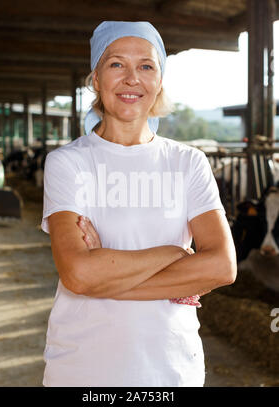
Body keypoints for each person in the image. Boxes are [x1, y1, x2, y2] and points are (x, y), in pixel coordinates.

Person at [41, 21, 237, 387]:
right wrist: (175, 255)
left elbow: (222, 267)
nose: (132, 78)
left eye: (146, 66)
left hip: (172, 368)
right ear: (96, 79)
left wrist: (105, 278)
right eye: (116, 64)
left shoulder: (188, 162)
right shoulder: (68, 163)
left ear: (159, 81)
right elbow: (78, 274)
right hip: (83, 368)